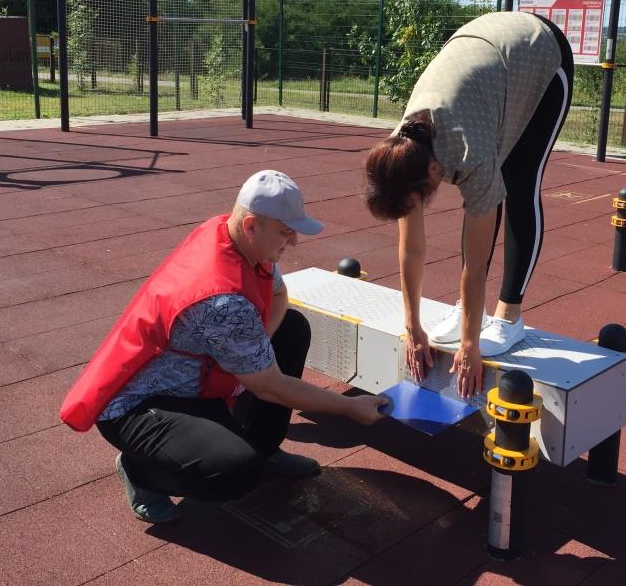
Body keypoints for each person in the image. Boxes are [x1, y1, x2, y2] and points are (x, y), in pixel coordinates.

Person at [59, 170, 388, 523]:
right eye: (285, 231)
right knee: (235, 471)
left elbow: (279, 295)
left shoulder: (231, 235)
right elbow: (271, 387)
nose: (292, 241)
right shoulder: (223, 301)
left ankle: (265, 447)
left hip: (194, 379)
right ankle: (142, 471)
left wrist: (256, 345)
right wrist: (349, 407)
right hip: (141, 405)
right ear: (251, 225)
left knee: (291, 328)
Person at [365, 11, 574, 399]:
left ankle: (509, 316)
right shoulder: (401, 149)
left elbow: (474, 269)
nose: (417, 208)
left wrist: (469, 346)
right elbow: (411, 249)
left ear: (434, 168)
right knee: (489, 188)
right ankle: (468, 311)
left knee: (518, 181)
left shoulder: (468, 152)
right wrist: (412, 326)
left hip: (540, 53)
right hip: (484, 58)